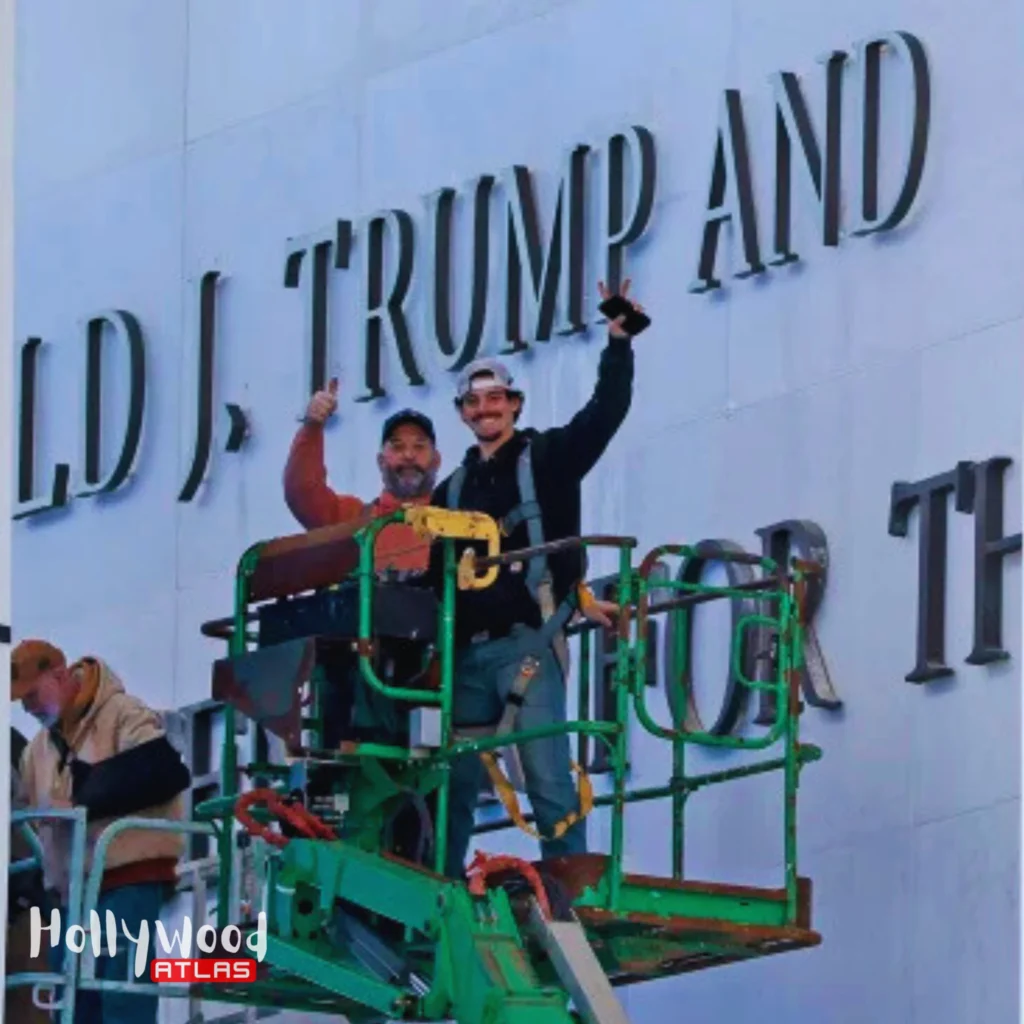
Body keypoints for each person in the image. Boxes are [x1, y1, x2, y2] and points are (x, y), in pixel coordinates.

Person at [429, 280, 645, 878]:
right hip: (468, 657)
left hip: (527, 645)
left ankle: (568, 886)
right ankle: (441, 889)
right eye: (474, 404)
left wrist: (619, 342)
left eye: (495, 399)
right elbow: (434, 581)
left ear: (515, 404)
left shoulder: (548, 458)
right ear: (462, 414)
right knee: (452, 786)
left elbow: (605, 414)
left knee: (549, 776)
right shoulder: (450, 492)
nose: (485, 410)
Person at [11, 639, 192, 1024]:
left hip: (128, 880)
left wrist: (80, 805)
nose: (28, 708)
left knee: (121, 996)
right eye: (21, 702)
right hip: (71, 896)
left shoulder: (123, 713)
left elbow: (162, 771)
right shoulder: (36, 751)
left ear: (59, 676)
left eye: (31, 695)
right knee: (71, 1006)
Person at [283, 376, 441, 573]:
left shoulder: (459, 524)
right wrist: (312, 426)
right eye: (398, 447)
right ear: (380, 462)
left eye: (419, 446)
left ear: (437, 460)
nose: (408, 455)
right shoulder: (352, 519)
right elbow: (302, 492)